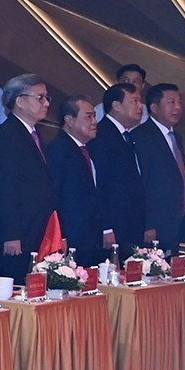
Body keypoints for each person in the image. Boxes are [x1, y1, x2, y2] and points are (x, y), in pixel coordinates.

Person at [0, 73, 57, 282]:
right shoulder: (7, 135)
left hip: (37, 228)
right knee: (15, 288)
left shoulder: (32, 134)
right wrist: (11, 234)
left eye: (47, 98)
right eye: (40, 97)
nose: (45, 103)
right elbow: (4, 188)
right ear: (19, 101)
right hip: (18, 234)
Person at [50, 93, 115, 268]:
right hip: (72, 238)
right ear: (69, 120)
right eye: (88, 116)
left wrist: (106, 228)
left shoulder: (88, 149)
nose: (94, 121)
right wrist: (60, 237)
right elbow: (55, 197)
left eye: (94, 116)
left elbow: (99, 193)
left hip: (92, 237)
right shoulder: (57, 150)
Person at [134, 82, 185, 250]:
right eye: (171, 102)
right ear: (154, 107)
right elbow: (142, 183)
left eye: (180, 102)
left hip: (176, 223)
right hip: (155, 226)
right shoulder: (142, 136)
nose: (177, 107)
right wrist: (147, 224)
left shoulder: (176, 137)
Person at [90, 82, 148, 256]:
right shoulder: (102, 136)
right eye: (134, 101)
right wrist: (106, 227)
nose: (140, 106)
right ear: (116, 105)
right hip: (115, 225)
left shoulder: (126, 136)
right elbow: (101, 184)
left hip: (130, 224)